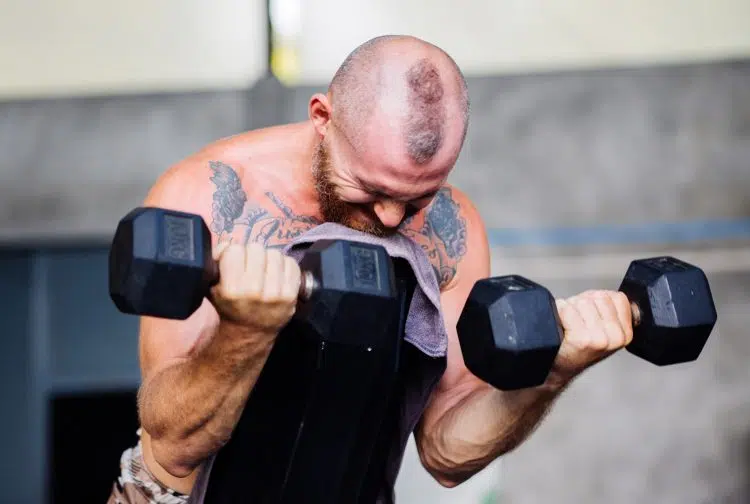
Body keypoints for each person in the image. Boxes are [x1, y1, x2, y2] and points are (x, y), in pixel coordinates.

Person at [107, 34, 634, 503]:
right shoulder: (209, 196)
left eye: (417, 198)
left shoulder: (451, 229)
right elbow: (174, 444)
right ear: (322, 117)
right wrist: (245, 329)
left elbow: (446, 454)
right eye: (373, 190)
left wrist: (551, 374)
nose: (389, 217)